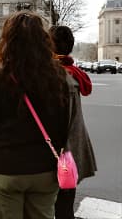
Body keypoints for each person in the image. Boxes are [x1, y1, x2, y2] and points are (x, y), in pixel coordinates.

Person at [0, 11, 71, 219]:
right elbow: (64, 127)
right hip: (45, 172)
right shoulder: (59, 78)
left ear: (7, 41)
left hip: (3, 171)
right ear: (44, 41)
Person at [49, 25, 97, 219]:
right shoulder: (73, 73)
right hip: (73, 147)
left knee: (57, 205)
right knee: (66, 201)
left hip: (60, 152)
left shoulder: (57, 76)